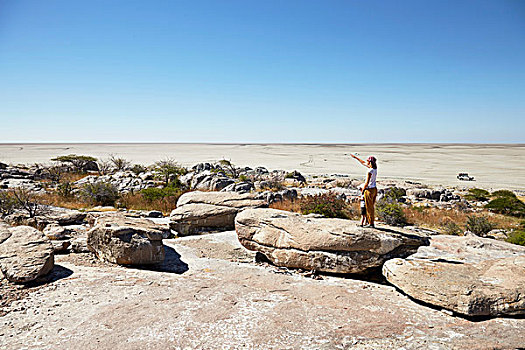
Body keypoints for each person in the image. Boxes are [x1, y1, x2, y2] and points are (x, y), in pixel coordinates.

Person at [350, 154, 378, 228]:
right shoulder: (374, 169)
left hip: (369, 190)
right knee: (371, 206)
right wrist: (356, 158)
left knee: (369, 207)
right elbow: (363, 163)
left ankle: (371, 223)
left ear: (370, 162)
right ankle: (369, 222)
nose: (366, 162)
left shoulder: (370, 171)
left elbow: (367, 183)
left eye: (368, 161)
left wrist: (363, 190)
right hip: (374, 189)